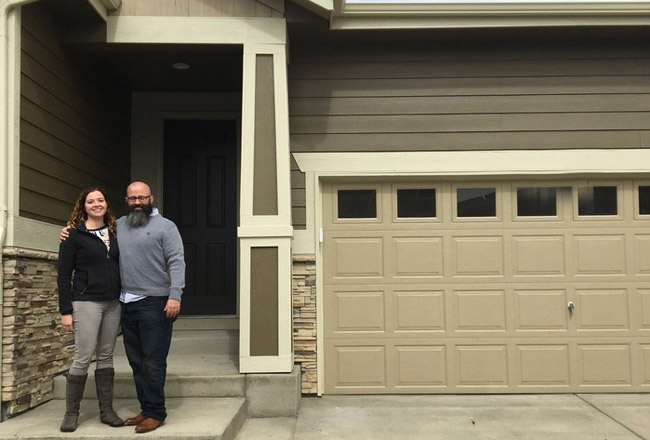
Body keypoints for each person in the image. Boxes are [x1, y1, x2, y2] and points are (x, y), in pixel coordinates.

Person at [118, 181, 185, 434]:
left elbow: (177, 261)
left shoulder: (166, 227)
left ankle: (156, 413)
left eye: (142, 198)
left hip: (156, 303)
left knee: (153, 361)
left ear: (151, 199)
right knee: (136, 361)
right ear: (126, 201)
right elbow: (91, 231)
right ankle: (146, 409)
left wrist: (174, 295)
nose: (137, 202)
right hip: (126, 302)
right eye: (132, 198)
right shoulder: (119, 226)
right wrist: (68, 230)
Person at [57, 187, 124, 432]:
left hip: (113, 303)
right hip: (86, 302)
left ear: (107, 204)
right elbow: (64, 276)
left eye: (101, 200)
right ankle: (71, 413)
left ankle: (107, 411)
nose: (96, 204)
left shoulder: (116, 232)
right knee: (83, 357)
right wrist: (66, 310)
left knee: (106, 356)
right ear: (83, 206)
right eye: (91, 201)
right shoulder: (73, 235)